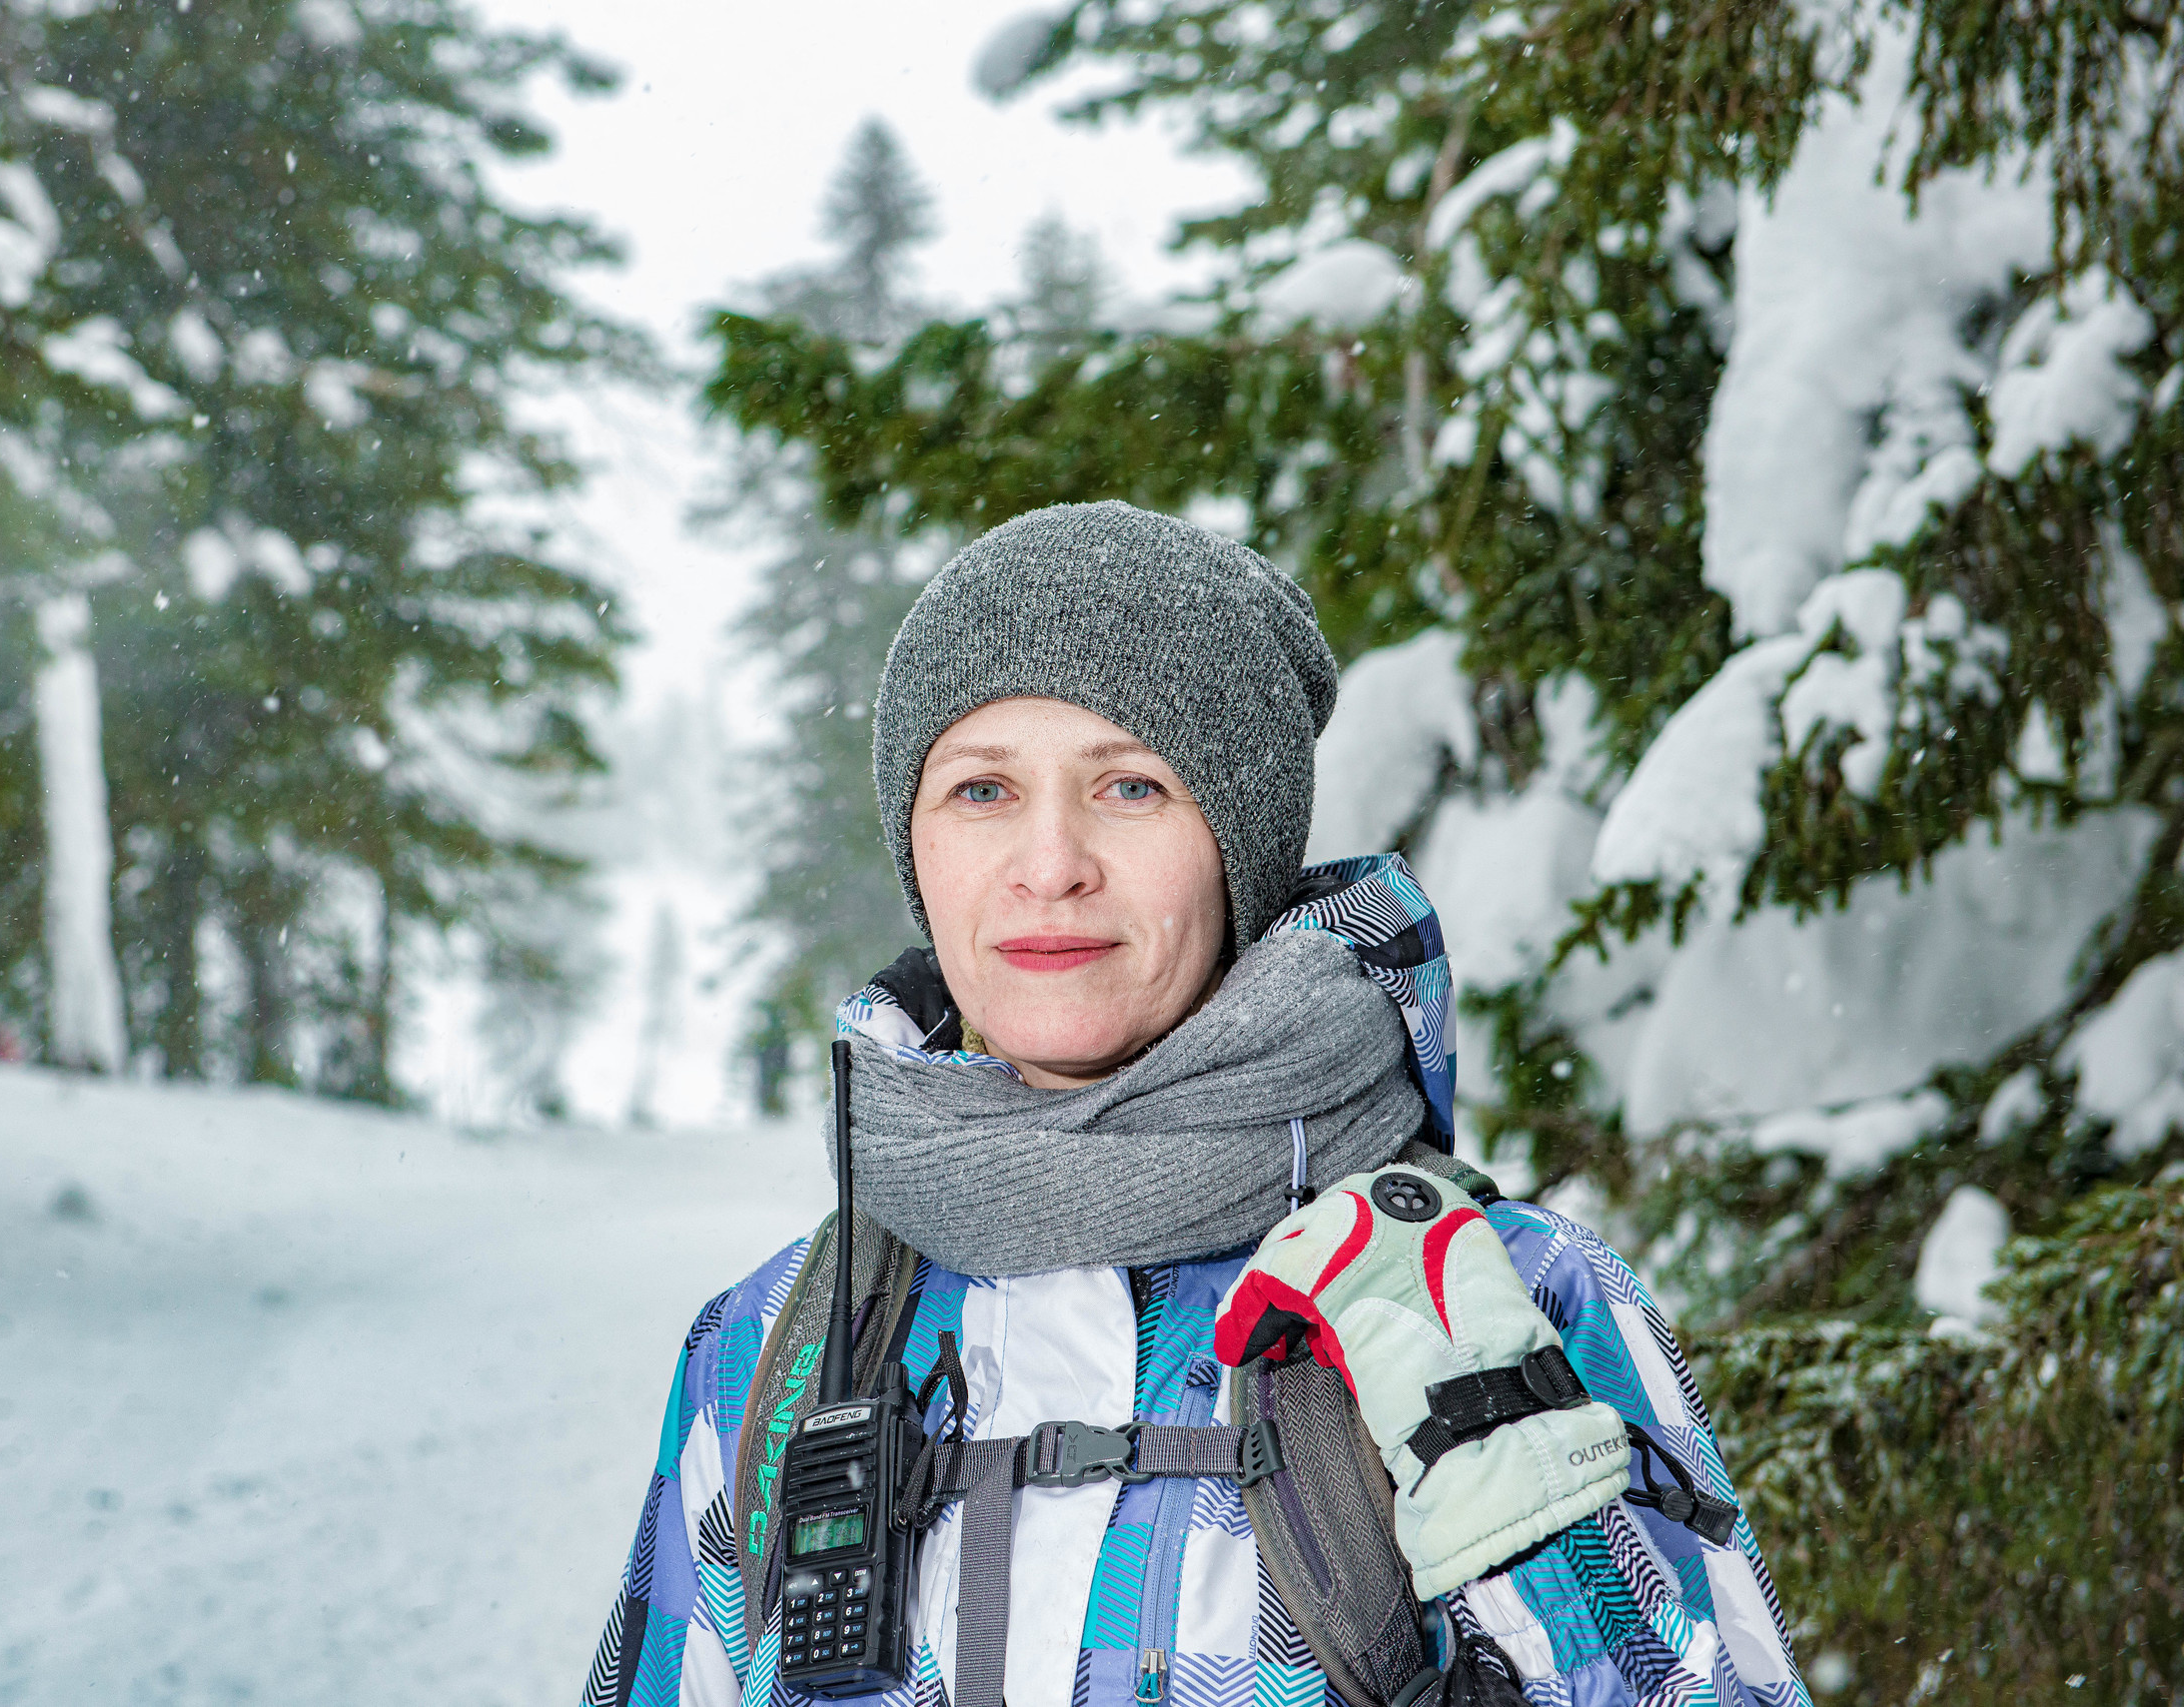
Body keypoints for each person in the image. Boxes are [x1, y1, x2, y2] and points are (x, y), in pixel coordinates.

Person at [582, 503, 1807, 1707]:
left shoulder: (1505, 1297)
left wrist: (1544, 1544)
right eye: (981, 790)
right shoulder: (769, 1348)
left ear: (1238, 848)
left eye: (1130, 786)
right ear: (917, 848)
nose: (1050, 864)